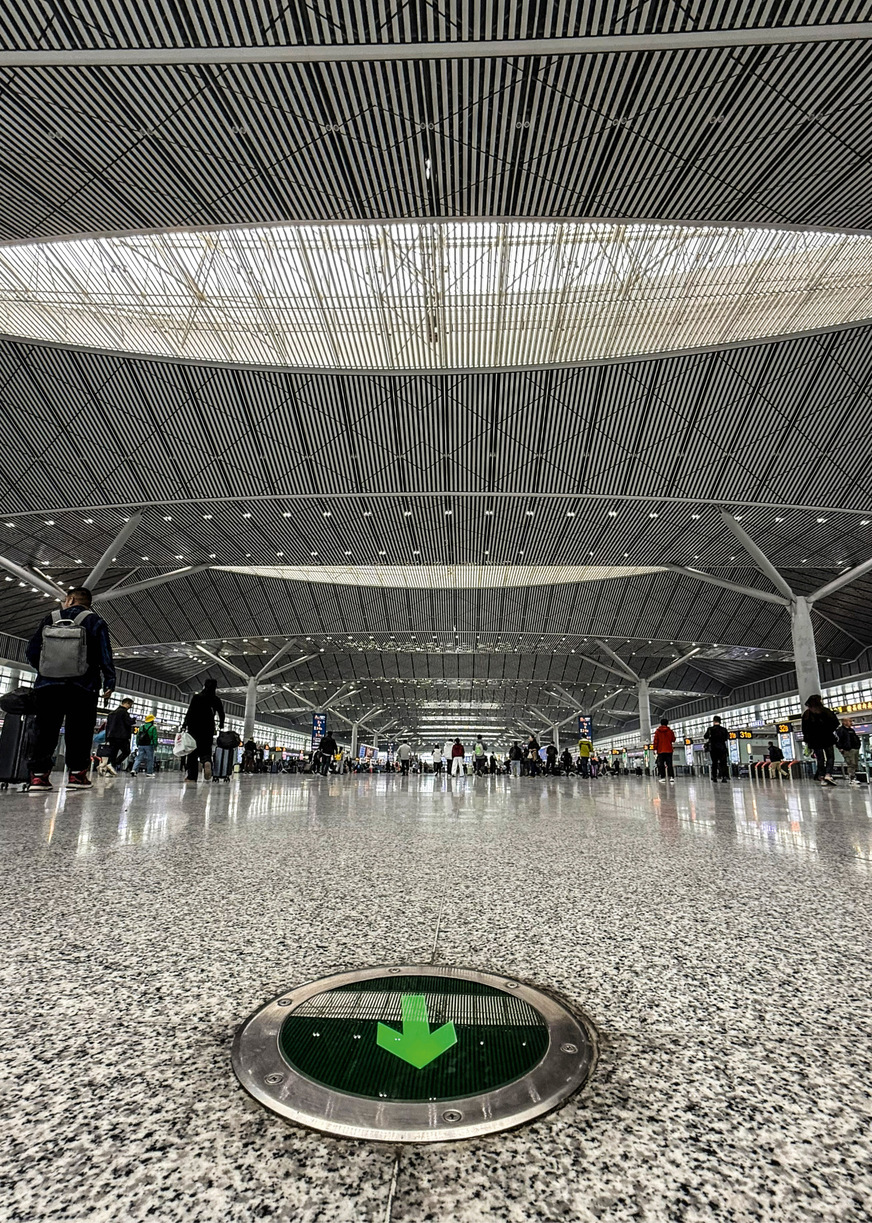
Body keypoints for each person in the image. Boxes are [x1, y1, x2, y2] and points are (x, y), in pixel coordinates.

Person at [26, 586, 116, 791]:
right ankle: (77, 776)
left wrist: (46, 669)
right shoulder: (95, 621)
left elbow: (31, 651)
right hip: (83, 686)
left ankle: (38, 778)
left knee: (45, 730)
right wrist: (109, 681)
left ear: (71, 600)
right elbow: (105, 654)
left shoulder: (50, 618)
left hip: (48, 685)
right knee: (80, 731)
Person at [181, 678, 225, 783]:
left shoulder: (197, 697)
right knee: (206, 749)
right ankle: (206, 762)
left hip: (194, 727)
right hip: (208, 728)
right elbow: (221, 714)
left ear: (204, 685)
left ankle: (192, 777)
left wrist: (184, 725)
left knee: (192, 752)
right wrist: (221, 725)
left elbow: (190, 712)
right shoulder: (216, 699)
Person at [801, 694, 840, 786]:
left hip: (814, 739)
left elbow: (804, 729)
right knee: (830, 756)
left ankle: (821, 776)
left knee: (820, 758)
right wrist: (828, 730)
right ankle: (828, 774)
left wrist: (808, 740)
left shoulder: (807, 714)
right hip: (827, 737)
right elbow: (836, 723)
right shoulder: (826, 711)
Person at [99, 697, 134, 776]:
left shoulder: (112, 713)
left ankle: (109, 772)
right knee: (126, 751)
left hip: (111, 736)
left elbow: (108, 726)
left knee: (113, 753)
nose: (130, 707)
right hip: (122, 736)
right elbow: (128, 722)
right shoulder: (124, 712)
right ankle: (113, 765)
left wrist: (107, 737)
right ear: (126, 703)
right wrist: (133, 720)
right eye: (130, 705)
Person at [835, 718, 861, 787]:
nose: (851, 723)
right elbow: (837, 740)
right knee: (851, 764)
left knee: (855, 764)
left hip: (855, 748)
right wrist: (841, 748)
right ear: (844, 722)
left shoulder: (851, 730)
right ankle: (851, 778)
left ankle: (853, 777)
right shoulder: (841, 730)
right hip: (848, 749)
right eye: (850, 721)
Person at [704, 715, 730, 783]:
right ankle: (724, 777)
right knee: (723, 763)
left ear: (713, 721)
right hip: (722, 748)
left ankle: (714, 777)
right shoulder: (724, 729)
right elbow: (726, 738)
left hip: (713, 749)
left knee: (714, 763)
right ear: (720, 721)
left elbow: (705, 736)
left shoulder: (710, 729)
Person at [653, 717, 676, 784]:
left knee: (661, 764)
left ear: (661, 723)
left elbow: (655, 741)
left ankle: (663, 778)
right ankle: (671, 777)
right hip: (669, 750)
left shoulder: (657, 732)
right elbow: (673, 739)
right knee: (669, 764)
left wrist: (655, 748)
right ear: (667, 723)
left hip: (660, 750)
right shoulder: (670, 731)